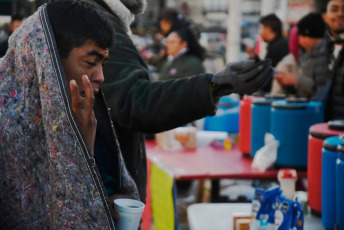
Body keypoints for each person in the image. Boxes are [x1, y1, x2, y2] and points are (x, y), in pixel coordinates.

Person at [86, 0, 274, 204]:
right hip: (104, 186)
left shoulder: (94, 18)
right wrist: (214, 86)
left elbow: (130, 98)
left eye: (172, 41)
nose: (168, 43)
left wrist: (214, 86)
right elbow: (134, 100)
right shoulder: (98, 21)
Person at [0, 0, 137, 228]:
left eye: (103, 63)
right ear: (46, 59)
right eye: (91, 62)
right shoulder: (7, 127)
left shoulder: (87, 113)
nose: (101, 76)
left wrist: (107, 201)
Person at [273, 13, 327, 98]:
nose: (301, 42)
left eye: (304, 36)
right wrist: (287, 84)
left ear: (315, 35)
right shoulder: (306, 55)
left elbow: (321, 90)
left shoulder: (325, 55)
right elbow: (303, 91)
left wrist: (296, 80)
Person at [249, 13, 289, 92]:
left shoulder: (278, 47)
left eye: (261, 28)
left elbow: (268, 74)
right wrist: (254, 57)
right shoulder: (277, 43)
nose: (260, 32)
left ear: (268, 29)